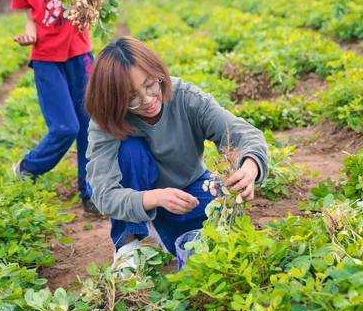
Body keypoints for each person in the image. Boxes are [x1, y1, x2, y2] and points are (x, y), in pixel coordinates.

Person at [85, 36, 268, 268]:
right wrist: (154, 198)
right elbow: (104, 194)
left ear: (157, 73)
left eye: (150, 84)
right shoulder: (106, 119)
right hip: (143, 193)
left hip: (188, 186)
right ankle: (131, 242)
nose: (148, 100)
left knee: (220, 222)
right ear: (114, 100)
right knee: (131, 150)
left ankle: (162, 231)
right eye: (131, 98)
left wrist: (250, 166)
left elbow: (243, 134)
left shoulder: (186, 98)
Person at [11, 0, 110, 214]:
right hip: (46, 61)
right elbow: (30, 16)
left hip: (80, 56)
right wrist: (29, 34)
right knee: (65, 126)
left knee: (88, 126)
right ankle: (29, 167)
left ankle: (90, 191)